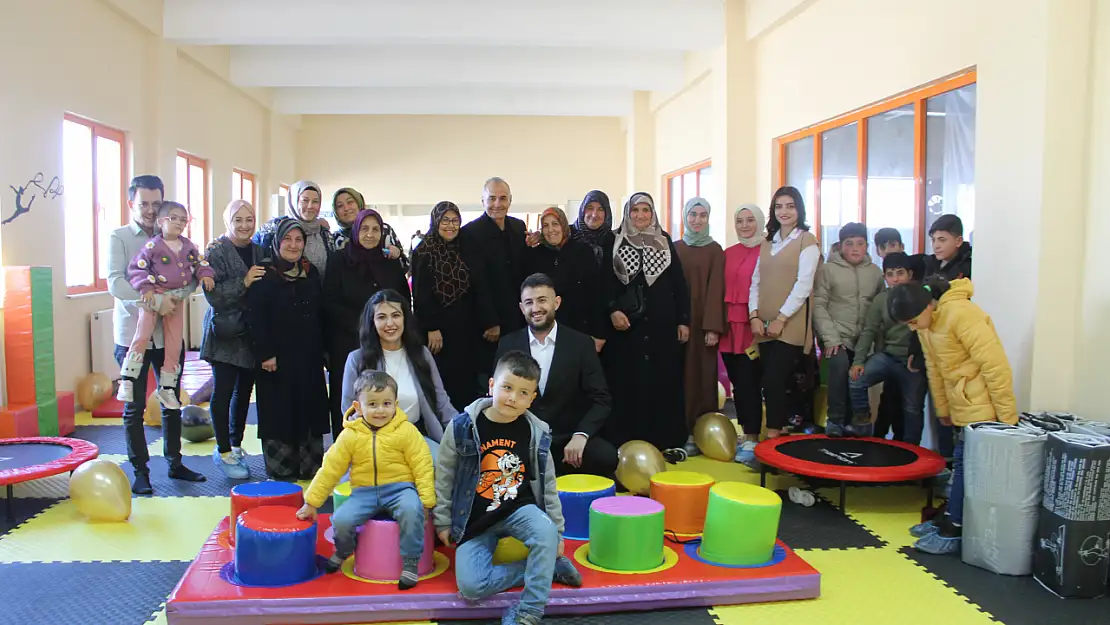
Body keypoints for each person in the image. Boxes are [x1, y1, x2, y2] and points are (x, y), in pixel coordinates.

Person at [434, 351, 582, 625]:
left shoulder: (537, 432)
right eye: (507, 387)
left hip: (518, 509)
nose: (513, 398)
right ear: (491, 385)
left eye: (524, 393)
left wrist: (557, 533)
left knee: (546, 533)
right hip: (474, 520)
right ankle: (547, 568)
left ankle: (529, 611)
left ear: (532, 398)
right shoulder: (462, 427)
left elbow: (548, 484)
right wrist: (442, 520)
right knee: (471, 588)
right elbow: (444, 476)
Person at [888, 277, 1017, 555]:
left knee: (968, 468)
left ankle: (954, 528)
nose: (911, 328)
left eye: (912, 321)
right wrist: (943, 410)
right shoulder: (927, 324)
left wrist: (1008, 419)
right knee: (960, 464)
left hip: (983, 405)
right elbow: (934, 369)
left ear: (926, 307)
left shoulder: (962, 314)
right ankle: (949, 518)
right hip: (961, 403)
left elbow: (995, 366)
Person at [106, 175, 205, 494]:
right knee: (133, 408)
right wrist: (150, 299)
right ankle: (140, 470)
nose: (150, 210)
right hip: (132, 336)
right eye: (143, 203)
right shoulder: (120, 237)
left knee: (171, 400)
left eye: (155, 204)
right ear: (131, 204)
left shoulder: (176, 238)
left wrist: (177, 295)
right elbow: (115, 281)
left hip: (168, 339)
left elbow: (191, 275)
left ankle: (175, 464)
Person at [298, 370, 434, 589]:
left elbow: (422, 463)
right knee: (341, 520)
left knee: (412, 510)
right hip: (364, 492)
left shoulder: (406, 431)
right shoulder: (350, 435)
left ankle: (410, 561)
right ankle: (343, 550)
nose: (380, 410)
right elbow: (330, 469)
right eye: (372, 404)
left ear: (396, 404)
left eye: (386, 403)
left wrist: (427, 501)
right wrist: (312, 502)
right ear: (358, 407)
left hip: (400, 489)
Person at [495, 273, 616, 478]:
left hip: (568, 439)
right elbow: (497, 397)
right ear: (521, 308)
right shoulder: (508, 345)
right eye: (529, 302)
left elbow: (601, 399)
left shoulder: (581, 343)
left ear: (556, 302)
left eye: (542, 300)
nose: (536, 308)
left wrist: (581, 435)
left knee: (606, 456)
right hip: (524, 438)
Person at [601, 192, 691, 460]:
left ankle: (665, 442)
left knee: (662, 383)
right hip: (627, 330)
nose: (640, 216)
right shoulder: (614, 242)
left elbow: (679, 285)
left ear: (653, 213)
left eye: (646, 210)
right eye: (635, 211)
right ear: (627, 213)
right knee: (629, 383)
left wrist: (683, 320)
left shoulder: (664, 242)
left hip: (662, 329)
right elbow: (604, 283)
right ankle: (627, 444)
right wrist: (612, 309)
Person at [247, 217, 330, 480]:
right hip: (276, 359)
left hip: (308, 356)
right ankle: (282, 469)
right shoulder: (263, 273)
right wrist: (265, 353)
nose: (293, 245)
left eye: (299, 240)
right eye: (288, 239)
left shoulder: (310, 271)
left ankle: (309, 466)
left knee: (308, 408)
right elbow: (255, 317)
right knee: (279, 411)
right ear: (277, 241)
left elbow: (320, 313)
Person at [118, 201, 215, 409]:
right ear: (162, 222)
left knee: (174, 343)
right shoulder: (153, 246)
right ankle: (127, 376)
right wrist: (146, 289)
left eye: (184, 219)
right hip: (154, 296)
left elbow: (200, 263)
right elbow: (137, 269)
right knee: (142, 334)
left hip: (176, 299)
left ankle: (168, 388)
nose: (180, 223)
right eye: (174, 218)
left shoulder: (188, 246)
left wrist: (205, 275)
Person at [324, 208, 411, 437]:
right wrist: (364, 325)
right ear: (355, 231)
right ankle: (346, 447)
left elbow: (402, 299)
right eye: (364, 229)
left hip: (385, 341)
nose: (370, 235)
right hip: (347, 341)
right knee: (348, 399)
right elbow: (329, 302)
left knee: (380, 397)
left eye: (375, 229)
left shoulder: (389, 262)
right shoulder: (339, 260)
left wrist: (388, 326)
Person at [341, 289, 457, 459]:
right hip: (374, 444)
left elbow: (442, 404)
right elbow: (348, 411)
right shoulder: (357, 360)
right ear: (372, 322)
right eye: (381, 317)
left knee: (444, 471)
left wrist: (465, 429)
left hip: (416, 437)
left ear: (405, 318)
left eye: (396, 315)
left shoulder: (422, 354)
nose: (390, 323)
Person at [200, 200, 266, 479]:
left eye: (249, 219)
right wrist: (245, 281)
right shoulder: (215, 251)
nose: (244, 225)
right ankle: (223, 450)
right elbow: (213, 296)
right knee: (223, 392)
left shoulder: (259, 249)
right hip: (225, 333)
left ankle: (236, 445)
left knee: (243, 393)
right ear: (228, 220)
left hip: (251, 332)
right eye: (238, 220)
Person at [749, 186, 820, 441]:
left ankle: (774, 437)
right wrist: (753, 316)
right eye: (779, 206)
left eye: (790, 206)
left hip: (789, 324)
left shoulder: (806, 240)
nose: (784, 211)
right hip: (763, 325)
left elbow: (804, 284)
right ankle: (775, 434)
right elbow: (756, 280)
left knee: (775, 380)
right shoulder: (769, 241)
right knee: (770, 383)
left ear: (799, 209)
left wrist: (781, 319)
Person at [411, 201, 499, 408]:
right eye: (445, 220)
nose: (450, 225)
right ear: (435, 221)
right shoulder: (424, 251)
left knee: (468, 383)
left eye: (455, 220)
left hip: (468, 328)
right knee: (444, 383)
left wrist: (489, 320)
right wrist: (431, 328)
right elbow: (421, 295)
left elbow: (480, 284)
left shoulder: (466, 246)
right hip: (439, 332)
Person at [812, 222, 884, 437]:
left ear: (867, 246)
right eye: (849, 243)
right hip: (835, 335)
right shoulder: (828, 270)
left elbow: (881, 307)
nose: (855, 248)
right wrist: (831, 338)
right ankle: (835, 421)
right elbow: (819, 305)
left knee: (857, 375)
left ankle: (857, 423)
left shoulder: (875, 272)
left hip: (863, 339)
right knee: (840, 364)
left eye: (860, 244)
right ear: (841, 245)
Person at [848, 252, 926, 444]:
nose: (896, 279)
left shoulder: (921, 297)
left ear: (909, 274)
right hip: (887, 357)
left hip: (913, 362)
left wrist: (918, 357)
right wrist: (858, 361)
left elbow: (928, 332)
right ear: (885, 278)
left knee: (913, 408)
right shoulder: (881, 300)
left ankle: (912, 452)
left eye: (900, 273)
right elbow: (869, 330)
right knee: (856, 380)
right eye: (890, 274)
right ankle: (863, 424)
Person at [460, 177, 528, 375]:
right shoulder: (470, 232)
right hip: (488, 320)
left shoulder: (518, 227)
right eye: (491, 199)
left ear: (510, 201)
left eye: (502, 198)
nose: (497, 204)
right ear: (483, 201)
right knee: (490, 374)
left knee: (517, 371)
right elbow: (476, 280)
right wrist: (489, 321)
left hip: (518, 315)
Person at [674, 197, 725, 456]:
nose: (697, 220)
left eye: (702, 215)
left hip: (703, 327)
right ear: (685, 216)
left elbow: (717, 289)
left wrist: (713, 327)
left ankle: (701, 431)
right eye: (693, 214)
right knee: (679, 377)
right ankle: (677, 430)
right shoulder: (675, 248)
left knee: (702, 378)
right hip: (679, 326)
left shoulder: (715, 251)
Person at [720, 204, 766, 468]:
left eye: (750, 220)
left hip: (754, 327)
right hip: (730, 327)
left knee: (751, 383)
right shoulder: (728, 253)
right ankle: (747, 433)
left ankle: (752, 436)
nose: (745, 225)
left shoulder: (769, 252)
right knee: (738, 383)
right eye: (740, 220)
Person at [522, 207, 604, 343]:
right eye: (545, 226)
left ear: (564, 225)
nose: (551, 230)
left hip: (579, 329)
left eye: (555, 224)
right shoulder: (534, 255)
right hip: (545, 331)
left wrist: (599, 333)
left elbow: (595, 293)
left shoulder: (583, 251)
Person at [255, 180, 334, 277]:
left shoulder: (325, 233)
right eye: (305, 200)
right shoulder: (273, 229)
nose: (310, 206)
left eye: (315, 201)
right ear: (294, 201)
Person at [331, 186, 408, 270]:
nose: (346, 208)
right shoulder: (334, 238)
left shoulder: (384, 230)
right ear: (335, 211)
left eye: (350, 202)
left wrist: (396, 255)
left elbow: (405, 266)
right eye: (340, 206)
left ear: (359, 203)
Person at [569, 190, 615, 266]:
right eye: (590, 208)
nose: (594, 215)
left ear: (607, 213)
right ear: (582, 210)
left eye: (600, 209)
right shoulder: (567, 234)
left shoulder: (613, 240)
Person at [923, 215, 972, 281]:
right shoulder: (930, 263)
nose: (936, 246)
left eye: (942, 240)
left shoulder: (970, 266)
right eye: (933, 240)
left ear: (958, 241)